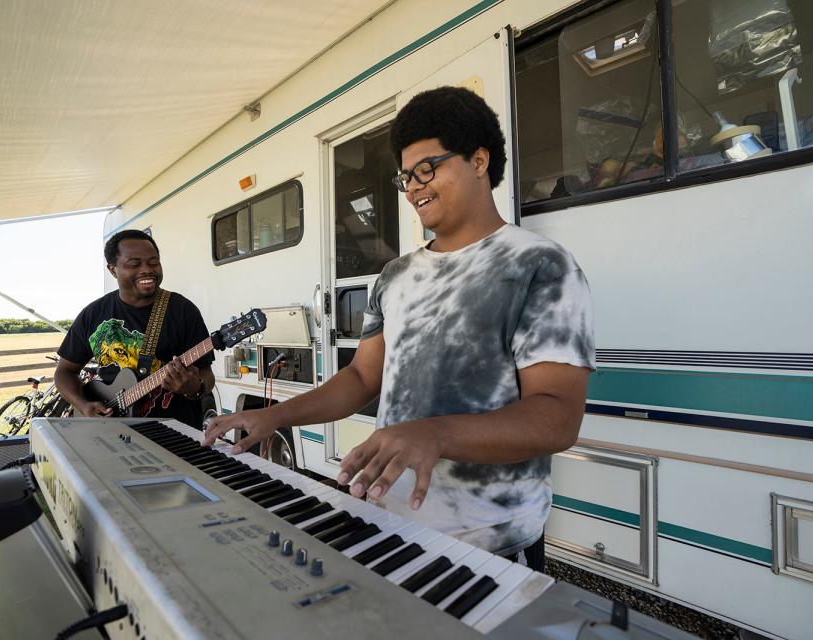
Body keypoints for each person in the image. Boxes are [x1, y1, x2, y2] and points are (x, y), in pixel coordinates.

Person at [204, 86, 595, 558]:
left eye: (427, 169)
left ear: (478, 160)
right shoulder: (395, 276)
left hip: (490, 543)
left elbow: (557, 417)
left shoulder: (540, 266)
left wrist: (434, 433)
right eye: (405, 177)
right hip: (391, 524)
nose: (413, 188)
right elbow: (363, 376)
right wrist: (274, 415)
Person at [55, 229, 215, 428]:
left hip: (175, 433)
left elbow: (206, 374)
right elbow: (64, 372)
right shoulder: (93, 314)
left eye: (153, 262)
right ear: (113, 270)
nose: (147, 269)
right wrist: (83, 405)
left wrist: (194, 388)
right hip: (110, 434)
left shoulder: (183, 310)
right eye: (134, 264)